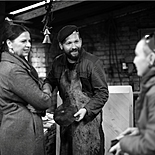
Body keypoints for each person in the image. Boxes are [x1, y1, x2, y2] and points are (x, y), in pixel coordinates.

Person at [43, 25, 109, 155]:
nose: (74, 46)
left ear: (81, 41)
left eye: (76, 41)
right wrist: (46, 91)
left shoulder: (92, 63)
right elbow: (49, 81)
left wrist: (86, 110)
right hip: (67, 123)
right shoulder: (58, 63)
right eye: (69, 43)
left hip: (88, 124)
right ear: (61, 46)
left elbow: (102, 93)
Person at [0, 20, 52, 155]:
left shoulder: (16, 65)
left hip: (19, 129)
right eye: (23, 41)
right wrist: (47, 86)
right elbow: (44, 101)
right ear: (9, 43)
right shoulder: (13, 70)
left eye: (29, 41)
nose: (28, 45)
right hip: (21, 133)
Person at [109, 33, 155, 155]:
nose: (134, 60)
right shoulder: (150, 87)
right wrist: (140, 132)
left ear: (151, 59)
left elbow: (152, 145)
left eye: (137, 55)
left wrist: (124, 143)